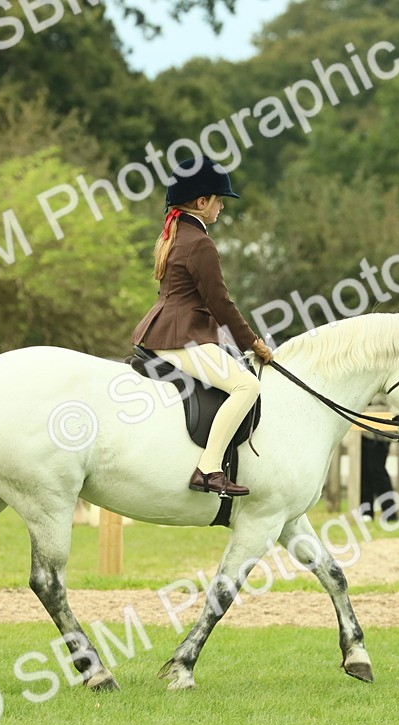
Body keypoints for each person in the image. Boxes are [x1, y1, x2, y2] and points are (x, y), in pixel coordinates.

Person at [130, 156, 273, 496]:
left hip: (165, 331)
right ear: (202, 202)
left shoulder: (176, 234)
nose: (222, 207)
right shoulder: (200, 243)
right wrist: (253, 342)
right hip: (182, 338)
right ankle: (209, 469)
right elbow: (220, 303)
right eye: (219, 200)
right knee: (246, 386)